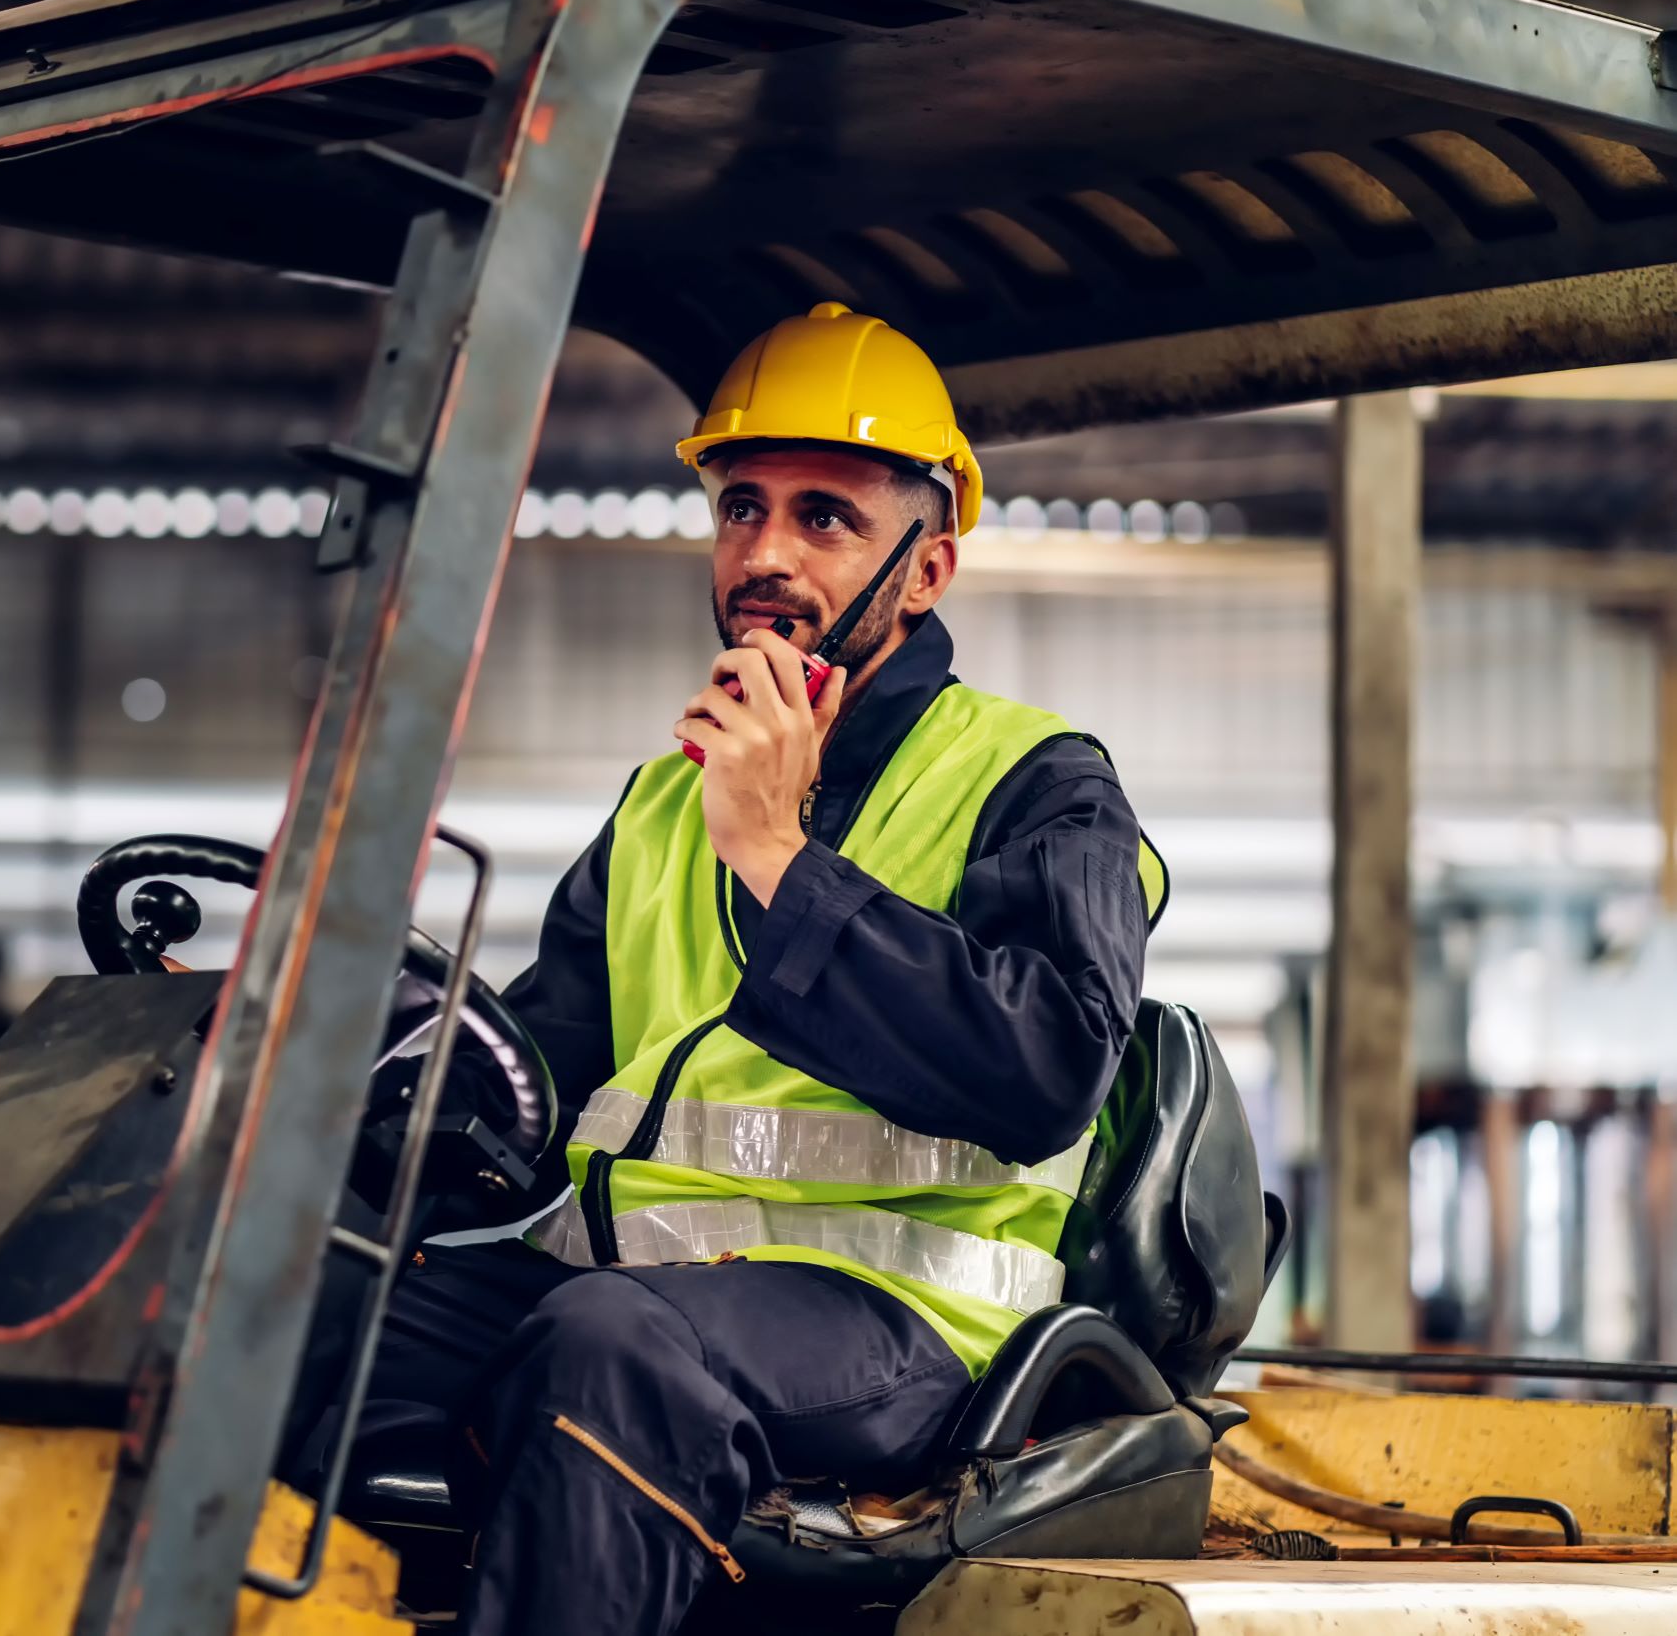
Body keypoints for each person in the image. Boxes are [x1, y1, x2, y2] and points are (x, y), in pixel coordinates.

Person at [284, 302, 1166, 1635]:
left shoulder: (1039, 783)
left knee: (609, 1354)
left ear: (925, 570)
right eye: (741, 507)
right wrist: (329, 1131)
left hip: (901, 1323)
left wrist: (777, 854)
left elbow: (1043, 1073)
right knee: (280, 1343)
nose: (763, 553)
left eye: (827, 519)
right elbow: (526, 1093)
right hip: (630, 1287)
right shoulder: (657, 805)